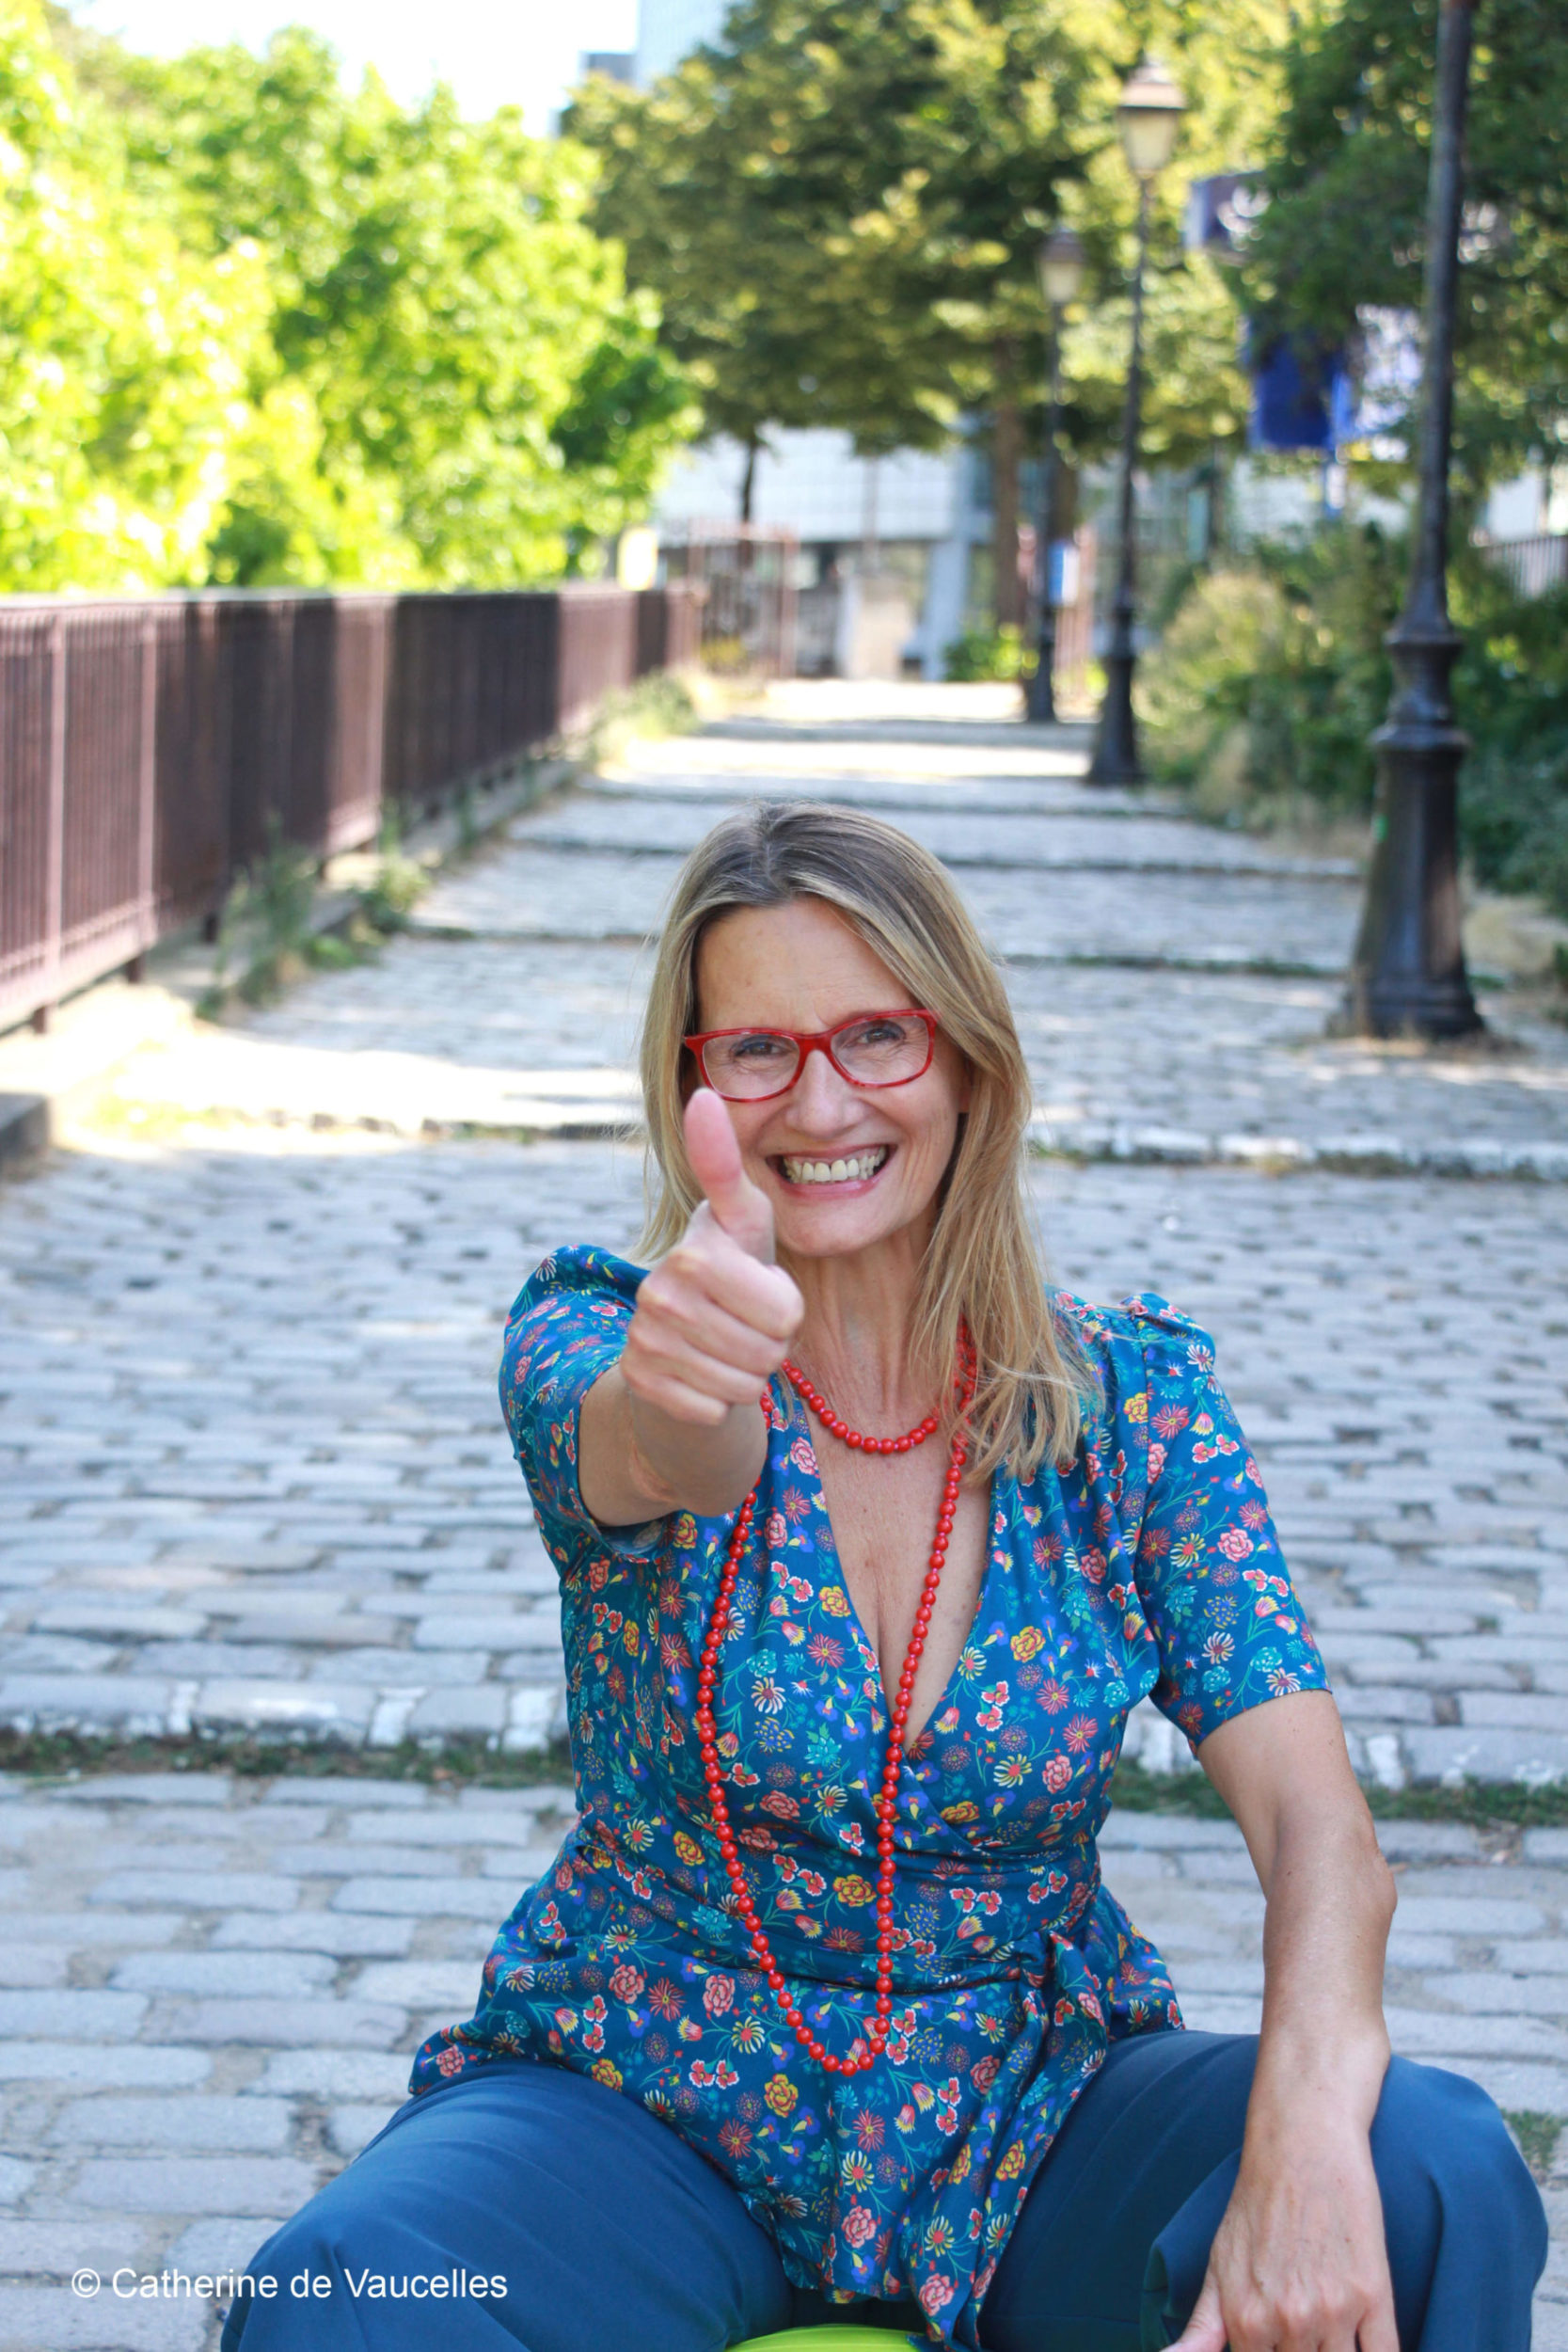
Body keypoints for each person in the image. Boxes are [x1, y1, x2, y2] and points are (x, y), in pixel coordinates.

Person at [224, 803, 1545, 2352]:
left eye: (875, 1035)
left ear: (968, 1059)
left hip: (1030, 2113)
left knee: (1433, 2168)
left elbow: (1320, 1824)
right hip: (645, 2096)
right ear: (691, 1085)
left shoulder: (1132, 1405)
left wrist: (1310, 2139)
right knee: (349, 2296)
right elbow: (667, 1454)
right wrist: (688, 1378)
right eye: (759, 1050)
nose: (821, 1096)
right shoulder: (600, 1337)